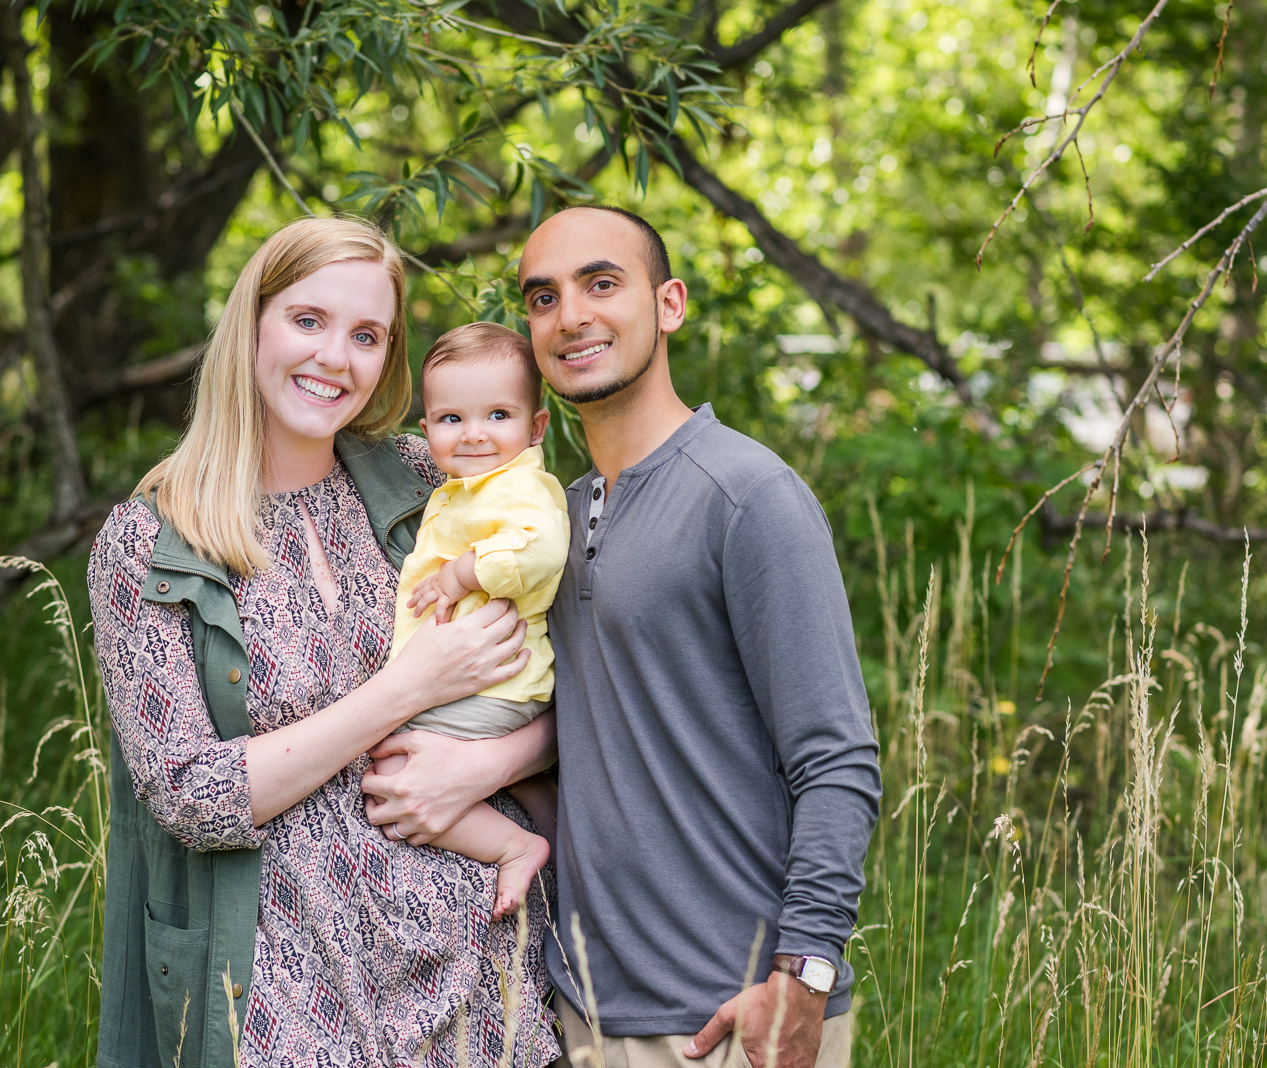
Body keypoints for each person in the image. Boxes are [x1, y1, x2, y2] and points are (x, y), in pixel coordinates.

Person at [87, 216, 560, 1068]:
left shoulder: (432, 477)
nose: (335, 358)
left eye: (367, 335)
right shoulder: (150, 544)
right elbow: (194, 795)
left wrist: (496, 762)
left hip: (482, 978)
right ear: (253, 323)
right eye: (308, 321)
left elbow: (579, 672)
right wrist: (405, 688)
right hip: (290, 1004)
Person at [518, 206, 882, 1068]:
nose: (570, 316)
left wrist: (806, 976)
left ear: (669, 303)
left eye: (601, 284)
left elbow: (838, 761)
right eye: (543, 297)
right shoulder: (548, 524)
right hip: (583, 1010)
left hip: (733, 1020)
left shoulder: (748, 495)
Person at [372, 321, 568, 921]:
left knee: (392, 760)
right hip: (493, 680)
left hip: (495, 680)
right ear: (426, 430)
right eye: (453, 419)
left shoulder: (518, 489)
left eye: (498, 416)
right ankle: (553, 823)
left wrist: (462, 574)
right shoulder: (465, 489)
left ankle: (515, 845)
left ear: (535, 427)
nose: (475, 434)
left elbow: (542, 550)